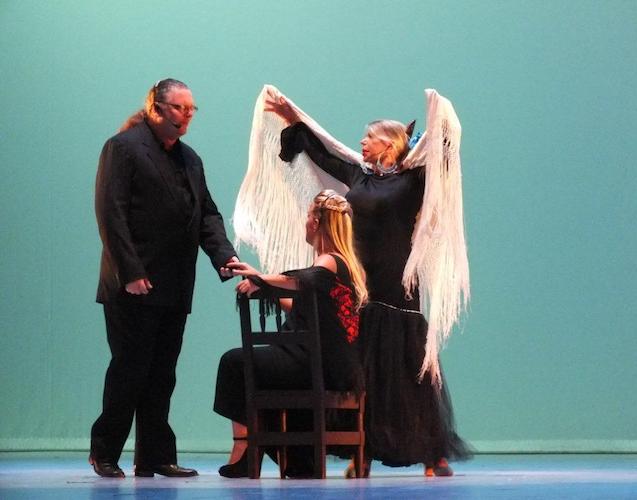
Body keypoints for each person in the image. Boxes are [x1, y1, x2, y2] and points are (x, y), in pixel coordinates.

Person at [262, 89, 471, 476]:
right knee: (366, 370)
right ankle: (364, 453)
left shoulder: (414, 180)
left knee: (407, 371)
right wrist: (294, 118)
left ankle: (433, 453)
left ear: (388, 143)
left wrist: (438, 115)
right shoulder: (359, 174)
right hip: (362, 283)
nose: (361, 142)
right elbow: (323, 153)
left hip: (396, 286)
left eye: (368, 137)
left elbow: (443, 152)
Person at [90, 78, 239, 478]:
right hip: (133, 284)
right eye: (179, 108)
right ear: (156, 109)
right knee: (130, 369)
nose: (186, 116)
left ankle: (154, 455)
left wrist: (225, 257)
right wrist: (131, 272)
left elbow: (206, 213)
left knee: (162, 374)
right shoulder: (123, 148)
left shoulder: (189, 158)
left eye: (191, 109)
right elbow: (111, 214)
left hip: (174, 284)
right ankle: (105, 451)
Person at [214, 190, 368, 478]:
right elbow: (300, 303)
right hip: (327, 361)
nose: (305, 221)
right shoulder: (342, 262)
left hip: (315, 361)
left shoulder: (330, 261)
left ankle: (245, 449)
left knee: (235, 363)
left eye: (308, 215)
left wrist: (261, 278)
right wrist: (262, 278)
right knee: (264, 374)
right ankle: (295, 459)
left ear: (316, 223)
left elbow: (304, 279)